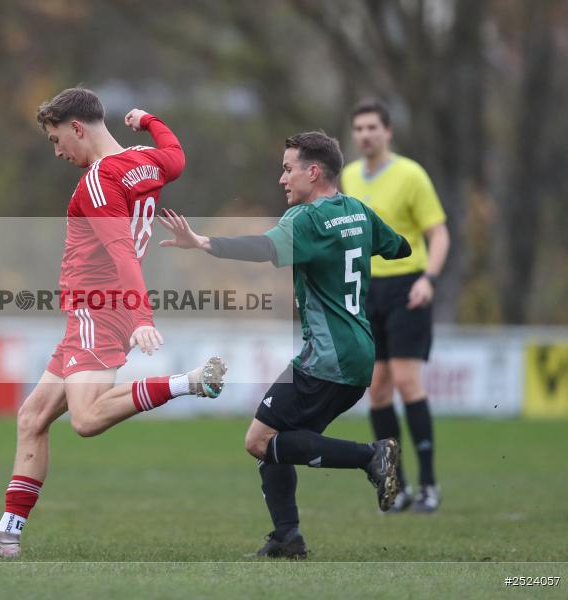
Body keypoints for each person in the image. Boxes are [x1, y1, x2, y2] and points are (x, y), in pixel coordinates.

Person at [0, 87, 227, 558]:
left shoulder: (99, 181)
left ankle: (188, 383)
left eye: (56, 139)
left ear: (77, 128)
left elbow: (121, 252)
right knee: (33, 417)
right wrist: (148, 120)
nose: (58, 151)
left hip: (98, 309)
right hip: (100, 311)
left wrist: (141, 317)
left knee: (85, 418)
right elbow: (176, 156)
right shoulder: (145, 160)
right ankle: (7, 535)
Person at [157, 131, 412, 558]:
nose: (282, 179)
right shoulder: (357, 211)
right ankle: (287, 538)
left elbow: (264, 247)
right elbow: (400, 248)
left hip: (327, 356)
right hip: (358, 354)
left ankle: (371, 456)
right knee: (277, 441)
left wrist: (203, 243)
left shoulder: (307, 219)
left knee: (259, 440)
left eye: (288, 169)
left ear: (313, 172)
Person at [340, 99, 450, 513]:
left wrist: (428, 279)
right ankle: (397, 485)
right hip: (368, 290)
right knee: (378, 388)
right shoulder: (350, 176)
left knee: (407, 382)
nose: (365, 135)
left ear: (387, 132)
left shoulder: (411, 175)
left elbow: (438, 234)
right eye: (359, 128)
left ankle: (429, 485)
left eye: (372, 127)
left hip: (408, 286)